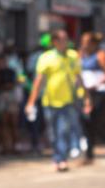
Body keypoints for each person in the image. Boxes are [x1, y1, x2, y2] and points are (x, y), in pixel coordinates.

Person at [27, 29, 82, 172]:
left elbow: (78, 77)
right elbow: (38, 81)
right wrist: (31, 102)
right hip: (49, 101)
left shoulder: (73, 56)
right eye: (62, 39)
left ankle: (62, 159)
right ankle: (57, 157)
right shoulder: (46, 57)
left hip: (68, 100)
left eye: (66, 39)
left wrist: (85, 96)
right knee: (52, 132)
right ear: (54, 42)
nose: (65, 42)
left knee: (63, 130)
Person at [78, 32, 105, 166]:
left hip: (99, 93)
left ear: (93, 43)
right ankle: (89, 155)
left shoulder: (100, 55)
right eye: (83, 42)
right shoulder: (80, 55)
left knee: (98, 125)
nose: (84, 45)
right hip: (85, 94)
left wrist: (96, 83)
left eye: (86, 42)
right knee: (86, 123)